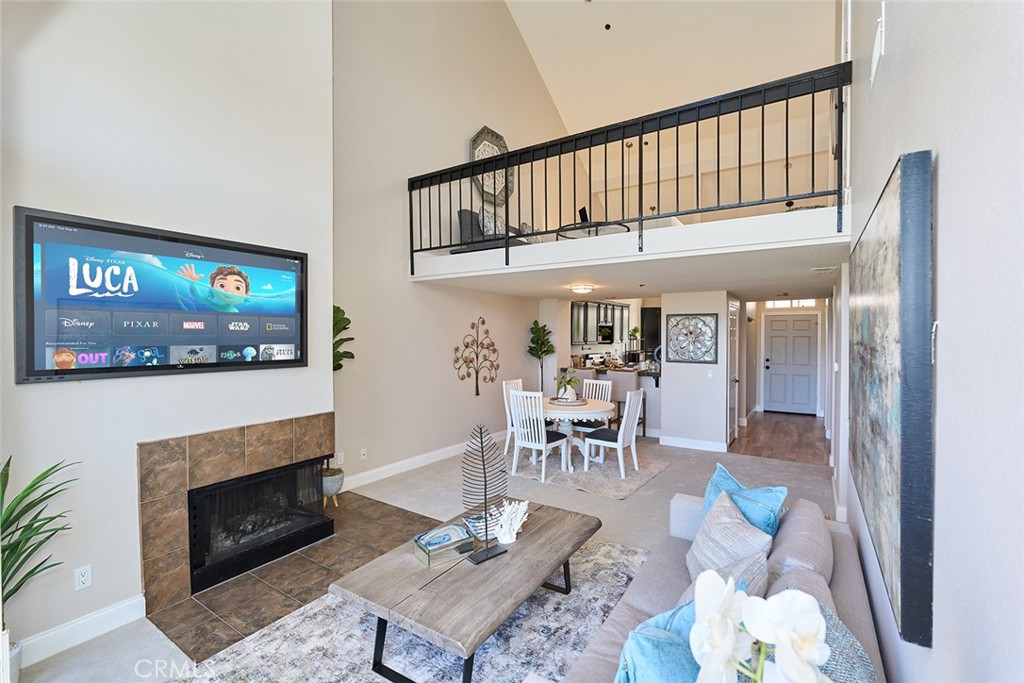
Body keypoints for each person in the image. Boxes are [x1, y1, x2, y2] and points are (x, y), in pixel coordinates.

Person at [177, 263, 250, 313]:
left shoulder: (234, 309)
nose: (229, 291)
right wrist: (192, 283)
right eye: (221, 285)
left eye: (238, 288)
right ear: (212, 289)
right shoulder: (221, 308)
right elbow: (202, 298)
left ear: (246, 294)